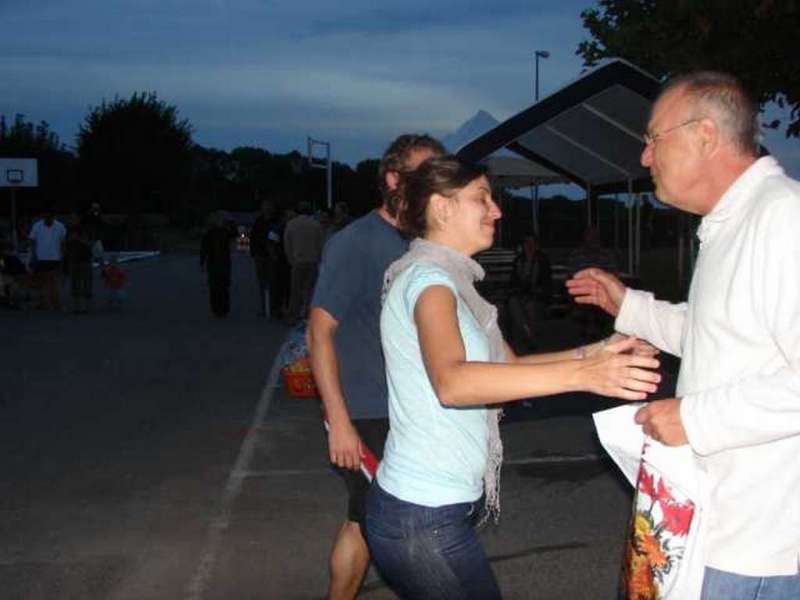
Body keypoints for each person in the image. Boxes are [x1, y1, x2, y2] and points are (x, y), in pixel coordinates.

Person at [365, 155, 661, 599]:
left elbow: (509, 368)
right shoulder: (429, 283)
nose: (497, 211)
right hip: (423, 517)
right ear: (442, 208)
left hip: (432, 512)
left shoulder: (454, 284)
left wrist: (595, 351)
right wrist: (584, 374)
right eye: (481, 198)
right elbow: (454, 383)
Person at [566, 72, 800, 599]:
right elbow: (717, 332)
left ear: (706, 135)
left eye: (653, 139)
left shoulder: (784, 219)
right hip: (713, 521)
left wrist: (692, 417)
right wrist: (628, 306)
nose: (645, 158)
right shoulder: (733, 224)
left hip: (759, 545)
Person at [307, 133, 446, 600]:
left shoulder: (420, 246)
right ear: (393, 179)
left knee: (365, 519)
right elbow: (319, 332)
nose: (435, 186)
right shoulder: (357, 243)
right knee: (387, 522)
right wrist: (339, 422)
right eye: (424, 175)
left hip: (404, 409)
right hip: (363, 410)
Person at [506, 233, 552, 350]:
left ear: (536, 245)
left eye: (532, 243)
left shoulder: (542, 260)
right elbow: (513, 282)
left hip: (538, 296)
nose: (529, 245)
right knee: (512, 303)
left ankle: (528, 337)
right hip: (520, 295)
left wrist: (535, 291)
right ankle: (529, 335)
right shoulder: (519, 260)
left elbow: (546, 283)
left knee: (530, 305)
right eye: (526, 243)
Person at [283, 201, 324, 323]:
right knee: (311, 290)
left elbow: (287, 243)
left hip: (297, 260)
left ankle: (293, 316)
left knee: (296, 291)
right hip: (312, 260)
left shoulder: (291, 224)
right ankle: (309, 315)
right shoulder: (315, 225)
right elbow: (320, 243)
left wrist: (291, 259)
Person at [249, 200, 284, 317]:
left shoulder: (277, 221)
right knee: (262, 282)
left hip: (272, 256)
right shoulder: (259, 221)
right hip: (260, 255)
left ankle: (274, 307)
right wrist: (253, 252)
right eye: (265, 206)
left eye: (269, 206)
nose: (267, 209)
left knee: (274, 282)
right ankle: (265, 307)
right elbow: (253, 237)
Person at [28, 208, 67, 310]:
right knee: (43, 281)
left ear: (53, 217)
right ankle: (45, 303)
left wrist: (63, 256)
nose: (48, 219)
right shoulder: (37, 225)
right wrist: (33, 255)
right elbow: (32, 241)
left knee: (52, 281)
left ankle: (53, 303)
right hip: (41, 257)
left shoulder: (60, 226)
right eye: (46, 217)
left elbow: (63, 243)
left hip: (55, 258)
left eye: (49, 217)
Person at [200, 211, 236, 317]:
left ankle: (224, 308)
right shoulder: (210, 232)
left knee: (223, 285)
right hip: (213, 261)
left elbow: (234, 234)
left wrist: (231, 222)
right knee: (214, 286)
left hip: (224, 261)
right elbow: (204, 247)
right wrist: (202, 261)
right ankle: (216, 308)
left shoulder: (226, 231)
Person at [65, 220, 93, 313]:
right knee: (77, 286)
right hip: (76, 263)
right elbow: (67, 253)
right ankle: (79, 307)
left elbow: (90, 251)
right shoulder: (70, 241)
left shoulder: (84, 240)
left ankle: (84, 307)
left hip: (84, 263)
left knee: (85, 285)